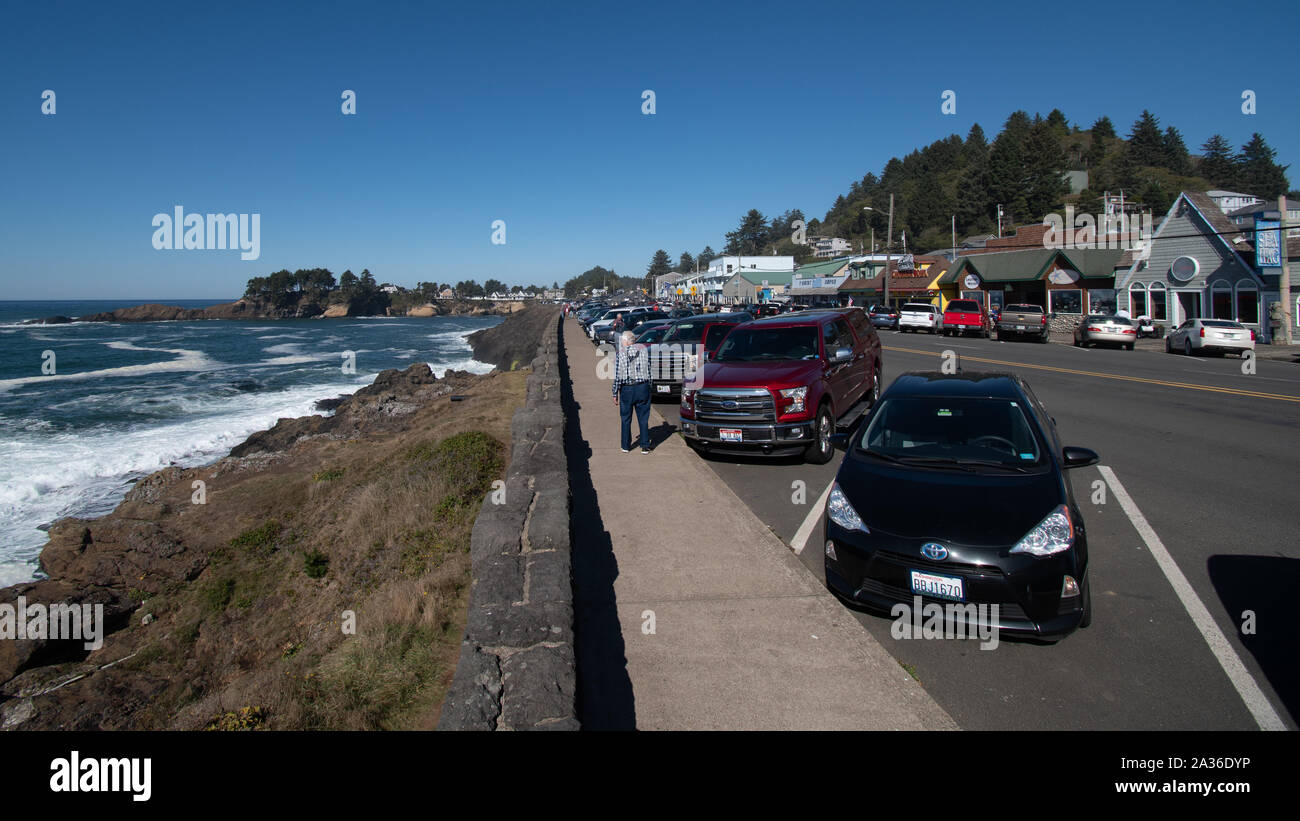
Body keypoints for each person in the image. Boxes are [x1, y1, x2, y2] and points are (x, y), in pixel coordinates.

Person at [612, 330, 652, 453]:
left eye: (622, 341)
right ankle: (645, 445)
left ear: (625, 341)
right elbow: (649, 371)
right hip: (642, 387)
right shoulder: (644, 352)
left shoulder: (620, 354)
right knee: (643, 418)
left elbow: (618, 375)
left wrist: (615, 392)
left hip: (627, 389)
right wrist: (649, 387)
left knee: (625, 418)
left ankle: (625, 445)